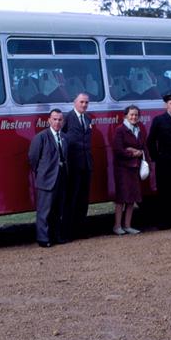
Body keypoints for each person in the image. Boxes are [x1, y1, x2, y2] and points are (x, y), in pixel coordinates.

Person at [28, 109, 69, 247]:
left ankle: (56, 236)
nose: (57, 122)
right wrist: (41, 173)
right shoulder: (41, 137)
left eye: (60, 120)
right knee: (44, 211)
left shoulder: (64, 137)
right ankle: (43, 239)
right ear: (49, 121)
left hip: (61, 179)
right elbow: (33, 158)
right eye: (55, 119)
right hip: (46, 180)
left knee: (58, 210)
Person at [147, 92, 171, 230]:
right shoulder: (159, 120)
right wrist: (156, 157)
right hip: (163, 160)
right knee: (164, 190)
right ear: (166, 105)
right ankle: (164, 221)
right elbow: (150, 141)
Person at [112, 105, 149, 235]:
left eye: (136, 115)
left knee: (132, 197)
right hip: (123, 169)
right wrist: (132, 154)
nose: (134, 117)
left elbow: (144, 147)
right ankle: (117, 226)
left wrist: (144, 158)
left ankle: (127, 225)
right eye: (131, 115)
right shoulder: (120, 130)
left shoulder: (139, 129)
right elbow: (118, 150)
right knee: (121, 197)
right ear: (126, 116)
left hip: (135, 168)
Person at [62, 92, 93, 239]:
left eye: (86, 102)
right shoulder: (67, 118)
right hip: (73, 165)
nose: (84, 105)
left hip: (86, 164)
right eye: (81, 102)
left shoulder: (87, 118)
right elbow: (61, 138)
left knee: (83, 199)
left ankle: (81, 229)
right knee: (71, 199)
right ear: (75, 102)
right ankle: (68, 232)